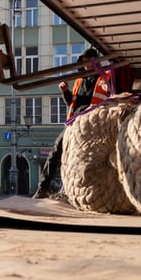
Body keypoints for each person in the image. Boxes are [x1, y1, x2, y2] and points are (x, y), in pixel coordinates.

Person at [33, 48, 109, 198]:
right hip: (74, 121)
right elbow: (72, 103)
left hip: (92, 123)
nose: (86, 65)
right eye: (83, 62)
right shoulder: (79, 80)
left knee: (87, 157)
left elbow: (112, 97)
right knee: (56, 152)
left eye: (88, 61)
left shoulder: (105, 77)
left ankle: (88, 192)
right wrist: (65, 91)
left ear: (95, 61)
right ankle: (43, 188)